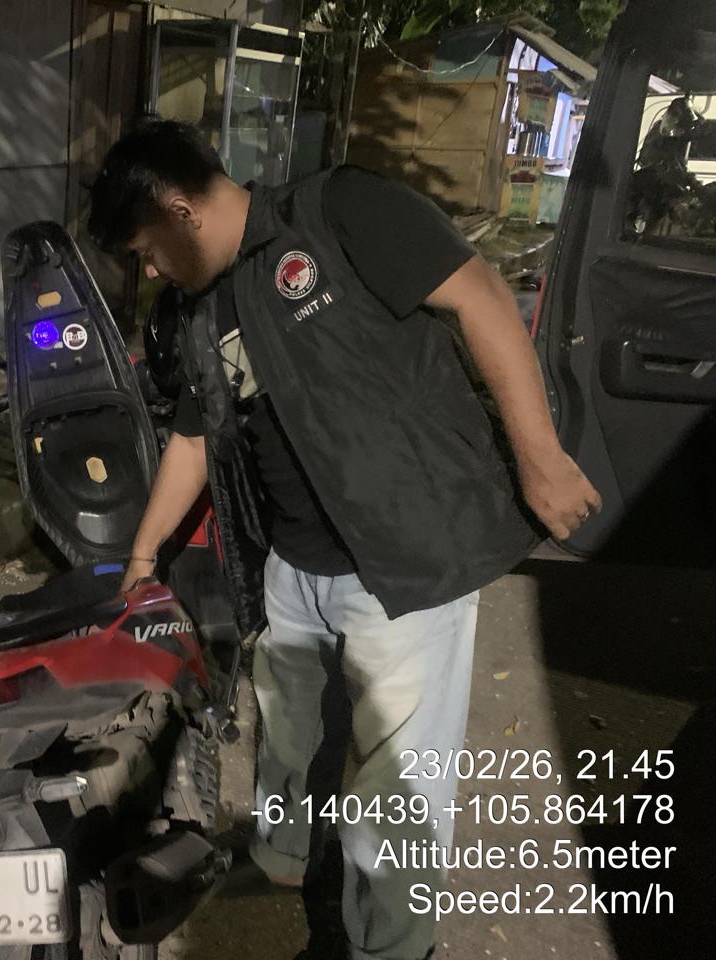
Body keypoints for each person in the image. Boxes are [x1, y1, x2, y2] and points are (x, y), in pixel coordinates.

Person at [88, 119, 601, 960]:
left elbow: (481, 297)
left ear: (180, 210)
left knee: (397, 790)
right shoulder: (202, 307)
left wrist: (541, 459)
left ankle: (390, 947)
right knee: (290, 740)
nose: (150, 271)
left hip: (406, 563)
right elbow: (193, 434)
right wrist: (144, 556)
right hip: (294, 566)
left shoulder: (340, 210)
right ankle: (288, 865)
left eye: (147, 251)